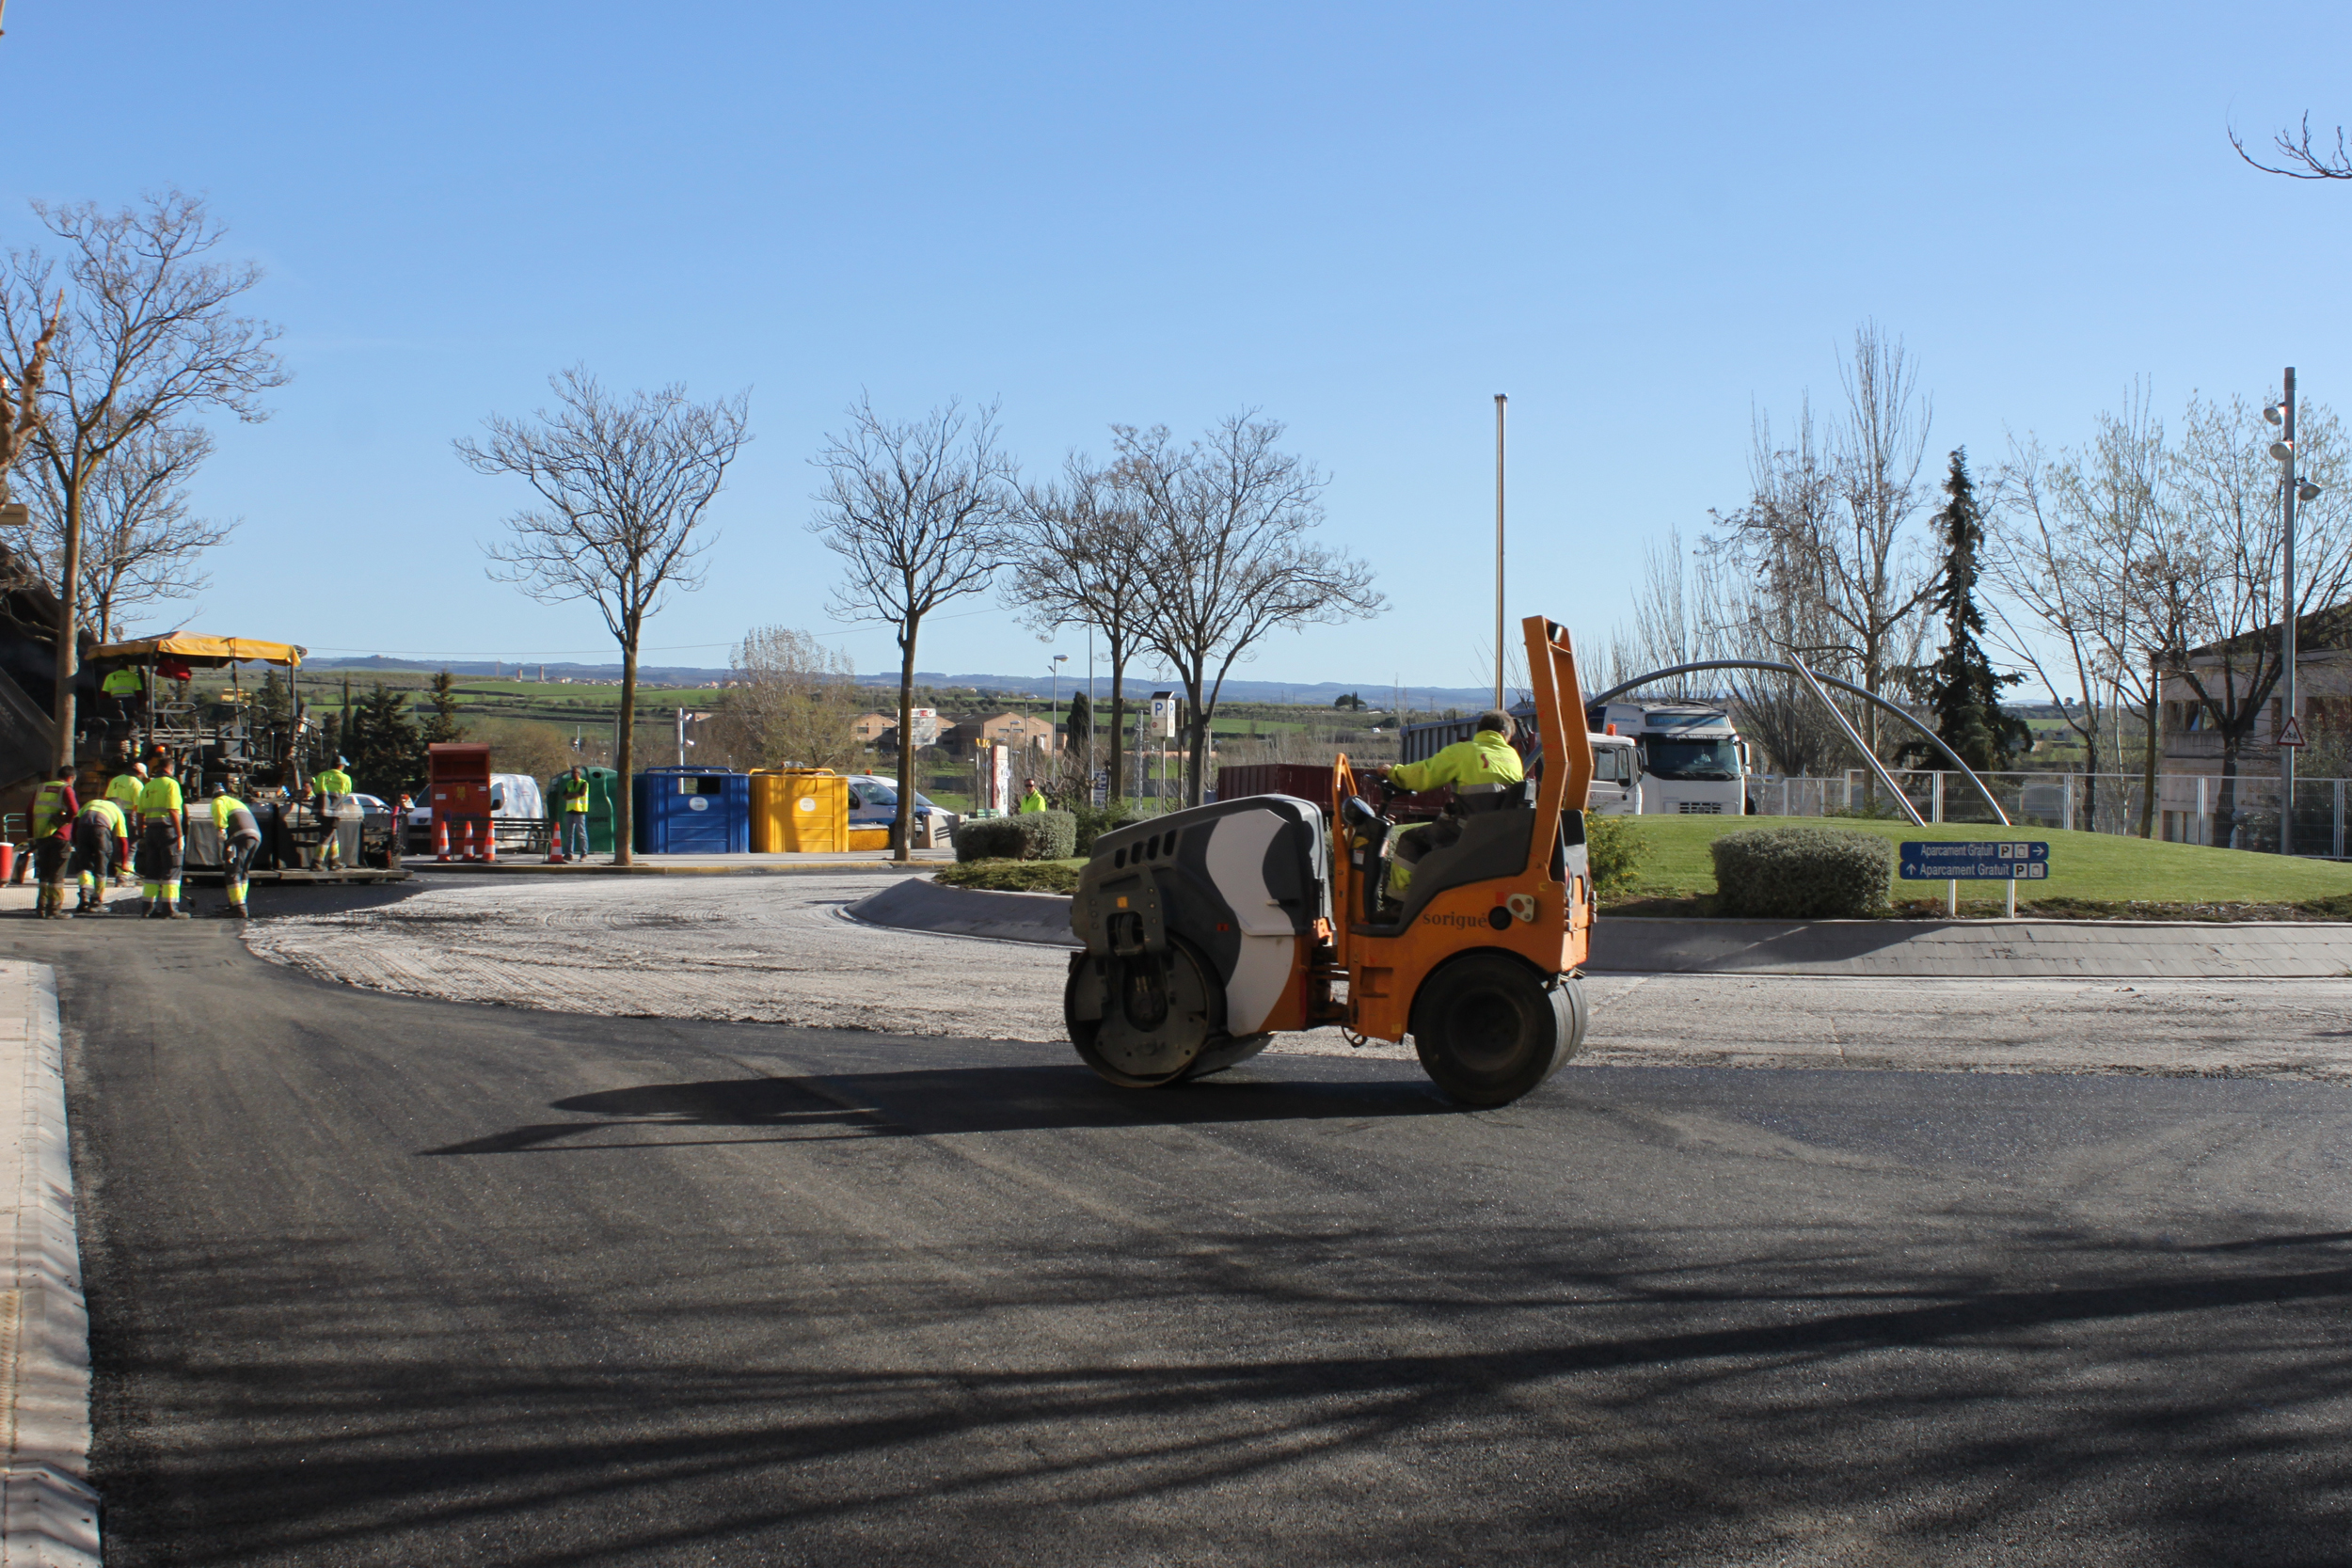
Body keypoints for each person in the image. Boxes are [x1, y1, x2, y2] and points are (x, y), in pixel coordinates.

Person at [1375, 710, 1526, 895]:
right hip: (1498, 832)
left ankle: (1399, 902)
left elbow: (1423, 775)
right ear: (1503, 734)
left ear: (1481, 731)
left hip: (1467, 831)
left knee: (1411, 840)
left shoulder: (1464, 751)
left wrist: (1392, 773)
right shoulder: (1513, 757)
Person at [135, 756, 189, 918]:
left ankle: (148, 908)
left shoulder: (149, 785)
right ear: (171, 769)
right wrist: (180, 836)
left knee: (152, 871)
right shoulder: (171, 784)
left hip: (150, 832)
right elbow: (173, 811)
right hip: (168, 832)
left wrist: (140, 833)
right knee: (172, 869)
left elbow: (139, 813)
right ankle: (170, 908)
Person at [14, 766, 79, 887]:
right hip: (60, 835)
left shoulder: (41, 788)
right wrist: (64, 821)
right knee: (57, 873)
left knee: (44, 872)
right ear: (71, 778)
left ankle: (42, 904)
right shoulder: (66, 789)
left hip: (41, 834)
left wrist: (31, 836)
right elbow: (74, 810)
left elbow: (29, 812)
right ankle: (53, 905)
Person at [209, 783, 262, 919]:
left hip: (240, 837)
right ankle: (239, 902)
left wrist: (221, 830)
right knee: (243, 871)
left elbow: (220, 815)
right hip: (255, 837)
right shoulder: (235, 802)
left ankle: (239, 908)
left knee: (232, 871)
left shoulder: (218, 801)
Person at [70, 794, 126, 914]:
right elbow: (123, 840)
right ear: (119, 805)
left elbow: (76, 821)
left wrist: (75, 842)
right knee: (101, 866)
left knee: (84, 867)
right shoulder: (117, 811)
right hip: (101, 831)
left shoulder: (91, 802)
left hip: (83, 829)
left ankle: (84, 899)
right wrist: (124, 863)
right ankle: (96, 902)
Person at [105, 763, 147, 884]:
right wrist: (141, 825)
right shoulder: (137, 784)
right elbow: (138, 806)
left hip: (112, 814)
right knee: (132, 843)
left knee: (117, 843)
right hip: (128, 816)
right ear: (139, 773)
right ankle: (125, 874)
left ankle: (118, 870)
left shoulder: (115, 780)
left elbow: (106, 797)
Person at [310, 755, 353, 871]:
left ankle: (334, 860)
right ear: (341, 765)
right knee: (327, 835)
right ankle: (317, 861)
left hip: (322, 810)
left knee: (331, 834)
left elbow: (317, 790)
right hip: (335, 811)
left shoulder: (323, 776)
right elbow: (347, 792)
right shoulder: (346, 778)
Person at [557, 766, 592, 860]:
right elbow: (564, 796)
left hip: (580, 812)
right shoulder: (570, 783)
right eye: (572, 773)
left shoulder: (584, 783)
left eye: (574, 773)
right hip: (570, 811)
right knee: (569, 834)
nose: (573, 774)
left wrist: (570, 795)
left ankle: (584, 853)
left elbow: (580, 794)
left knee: (581, 833)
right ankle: (569, 854)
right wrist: (572, 795)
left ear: (579, 774)